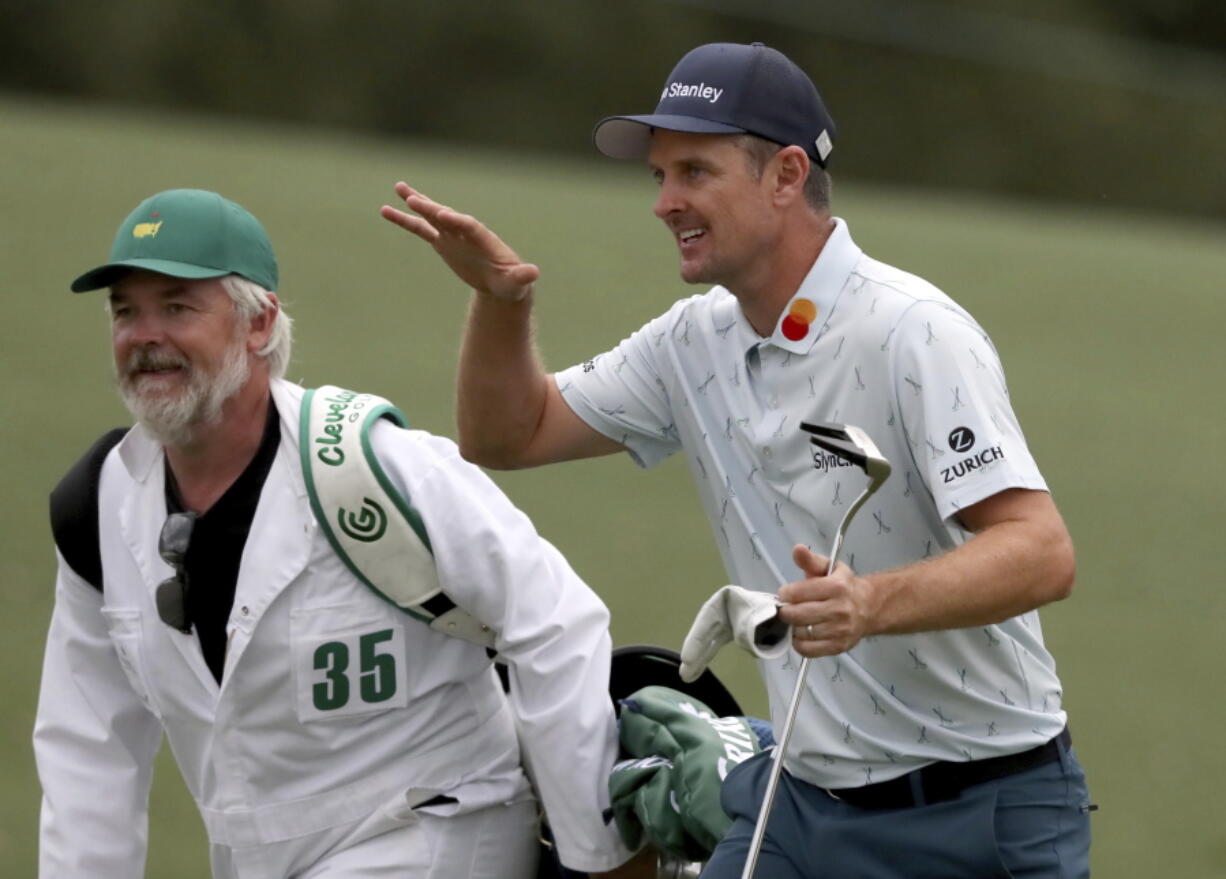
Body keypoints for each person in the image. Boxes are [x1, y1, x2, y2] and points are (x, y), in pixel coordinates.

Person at [382, 41, 1093, 879]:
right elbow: (508, 434)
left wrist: (869, 601)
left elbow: (1042, 550)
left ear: (786, 175)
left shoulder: (913, 331)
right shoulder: (692, 340)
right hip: (806, 803)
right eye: (658, 177)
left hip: (980, 810)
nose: (665, 202)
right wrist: (501, 303)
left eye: (694, 172)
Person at [34, 188, 653, 879]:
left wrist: (600, 854)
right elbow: (88, 743)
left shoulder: (369, 463)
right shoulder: (97, 507)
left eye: (176, 306)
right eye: (126, 312)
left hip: (432, 828)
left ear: (259, 322)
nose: (144, 336)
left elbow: (552, 615)